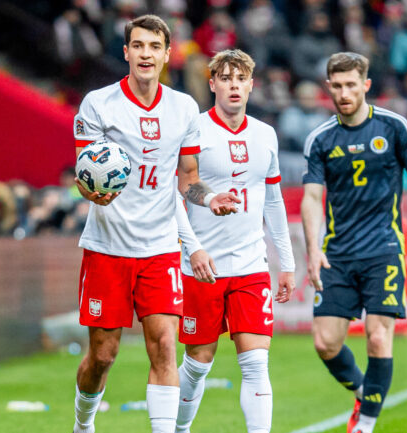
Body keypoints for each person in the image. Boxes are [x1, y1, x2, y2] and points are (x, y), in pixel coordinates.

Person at [70, 15, 240, 433]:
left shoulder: (183, 108)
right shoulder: (98, 104)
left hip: (160, 248)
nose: (146, 54)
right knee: (103, 355)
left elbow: (188, 180)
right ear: (126, 52)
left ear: (167, 55)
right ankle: (83, 423)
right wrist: (91, 193)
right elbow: (86, 176)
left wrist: (210, 197)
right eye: (138, 45)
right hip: (108, 246)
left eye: (155, 47)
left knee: (165, 345)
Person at [300, 52, 407, 433]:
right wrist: (313, 249)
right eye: (338, 85)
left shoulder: (394, 126)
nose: (344, 92)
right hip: (338, 255)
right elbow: (313, 197)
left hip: (383, 250)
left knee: (379, 338)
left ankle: (364, 424)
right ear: (328, 87)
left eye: (352, 85)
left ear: (366, 85)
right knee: (325, 343)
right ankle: (367, 391)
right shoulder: (320, 139)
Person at [174, 49, 296, 433]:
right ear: (212, 84)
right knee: (198, 363)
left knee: (256, 362)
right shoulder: (194, 129)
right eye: (225, 78)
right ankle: (177, 429)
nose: (234, 86)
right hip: (203, 266)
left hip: (250, 265)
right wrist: (191, 247)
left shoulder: (266, 134)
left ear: (251, 85)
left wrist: (287, 263)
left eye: (240, 78)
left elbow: (273, 200)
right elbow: (182, 189)